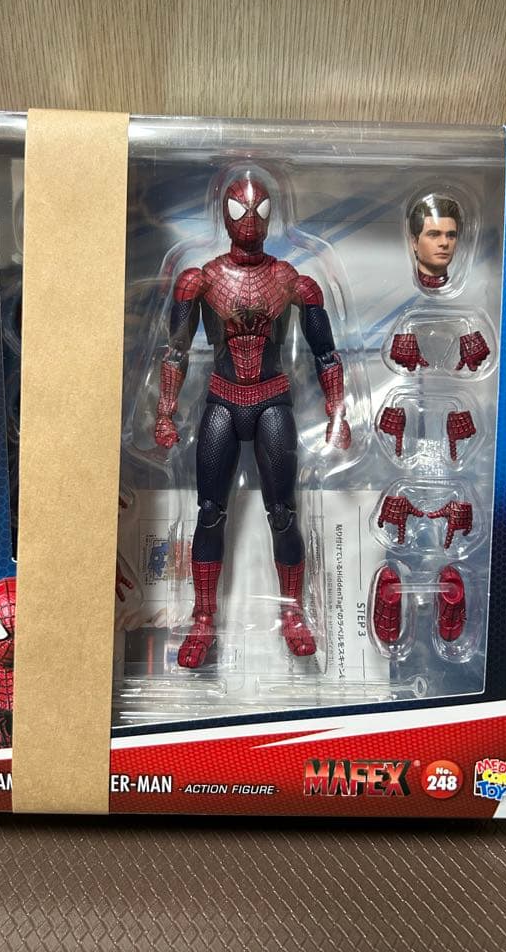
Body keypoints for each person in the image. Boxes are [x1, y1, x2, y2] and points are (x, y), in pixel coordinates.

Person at [154, 172, 351, 669]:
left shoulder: (292, 280)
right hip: (223, 400)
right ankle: (203, 619)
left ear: (270, 215)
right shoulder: (199, 280)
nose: (248, 220)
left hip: (272, 401)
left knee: (283, 513)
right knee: (209, 512)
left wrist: (337, 411)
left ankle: (293, 614)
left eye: (258, 210)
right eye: (239, 210)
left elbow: (325, 353)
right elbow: (176, 352)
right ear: (224, 215)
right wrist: (165, 411)